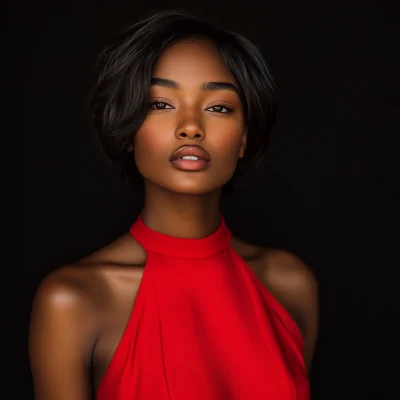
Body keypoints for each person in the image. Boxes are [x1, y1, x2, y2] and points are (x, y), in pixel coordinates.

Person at [29, 10, 318, 400]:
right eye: (160, 104)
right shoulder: (72, 301)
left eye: (218, 107)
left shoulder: (290, 284)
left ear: (245, 137)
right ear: (129, 128)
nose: (190, 126)